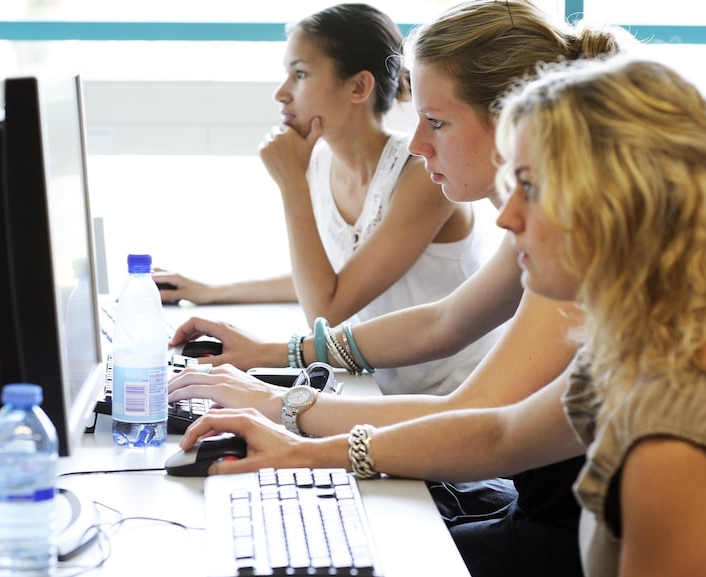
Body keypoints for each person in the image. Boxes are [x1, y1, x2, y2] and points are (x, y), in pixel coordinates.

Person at [177, 55, 706, 575]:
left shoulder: (678, 433)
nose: (506, 216)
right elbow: (500, 435)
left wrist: (292, 415)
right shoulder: (645, 344)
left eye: (530, 185)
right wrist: (299, 450)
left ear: (615, 207)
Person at [170, 2, 631, 576]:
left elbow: (486, 425)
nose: (416, 143)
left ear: (517, 121)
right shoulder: (550, 222)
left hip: (565, 537)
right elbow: (443, 322)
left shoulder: (574, 241)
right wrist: (281, 359)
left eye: (436, 122)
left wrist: (288, 413)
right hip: (539, 503)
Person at [157, 3, 504, 396]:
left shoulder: (424, 173)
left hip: (452, 393)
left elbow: (327, 308)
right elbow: (338, 276)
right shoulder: (321, 161)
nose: (281, 93)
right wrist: (212, 291)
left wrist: (292, 186)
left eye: (300, 74)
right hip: (381, 385)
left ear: (358, 87)